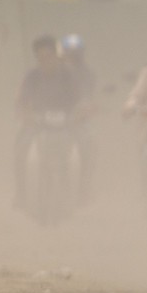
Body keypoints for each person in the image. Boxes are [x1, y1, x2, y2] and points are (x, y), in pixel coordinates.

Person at [15, 35, 80, 207]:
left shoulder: (68, 75)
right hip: (37, 125)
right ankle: (22, 195)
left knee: (87, 146)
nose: (45, 60)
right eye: (40, 57)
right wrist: (26, 115)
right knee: (20, 148)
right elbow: (22, 101)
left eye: (48, 56)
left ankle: (82, 192)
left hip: (66, 125)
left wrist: (77, 115)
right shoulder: (32, 76)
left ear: (55, 56)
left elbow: (78, 101)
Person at [60, 34, 97, 201]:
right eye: (69, 54)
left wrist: (84, 109)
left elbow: (87, 96)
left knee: (88, 146)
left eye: (76, 54)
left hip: (78, 120)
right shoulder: (53, 71)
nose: (72, 58)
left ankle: (84, 187)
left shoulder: (87, 73)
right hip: (50, 119)